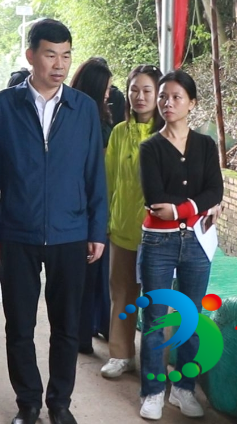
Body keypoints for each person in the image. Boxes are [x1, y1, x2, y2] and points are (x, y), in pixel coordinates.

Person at [0, 18, 108, 424]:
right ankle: (28, 403)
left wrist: (96, 229)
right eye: (51, 55)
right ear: (31, 55)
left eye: (66, 56)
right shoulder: (3, 107)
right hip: (17, 232)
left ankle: (59, 403)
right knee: (19, 325)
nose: (60, 64)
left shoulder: (84, 109)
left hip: (71, 232)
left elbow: (95, 174)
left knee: (67, 327)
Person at [137, 70, 224, 420]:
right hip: (158, 242)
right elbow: (155, 197)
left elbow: (215, 190)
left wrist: (178, 210)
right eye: (163, 96)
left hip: (197, 243)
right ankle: (153, 391)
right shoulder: (150, 148)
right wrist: (196, 206)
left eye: (176, 97)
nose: (167, 103)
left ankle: (184, 389)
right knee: (156, 318)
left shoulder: (205, 145)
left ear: (192, 103)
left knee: (191, 317)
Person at [99, 64, 162, 379]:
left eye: (147, 90)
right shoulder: (119, 133)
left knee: (158, 300)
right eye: (134, 90)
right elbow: (108, 180)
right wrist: (105, 222)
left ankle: (156, 361)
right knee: (122, 294)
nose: (140, 96)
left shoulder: (168, 134)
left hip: (159, 235)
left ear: (159, 94)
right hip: (122, 229)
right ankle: (121, 355)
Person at [69, 57, 114, 354]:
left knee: (91, 276)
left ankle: (89, 330)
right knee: (89, 276)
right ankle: (84, 333)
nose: (110, 94)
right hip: (88, 206)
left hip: (89, 205)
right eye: (107, 88)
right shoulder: (91, 120)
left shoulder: (93, 115)